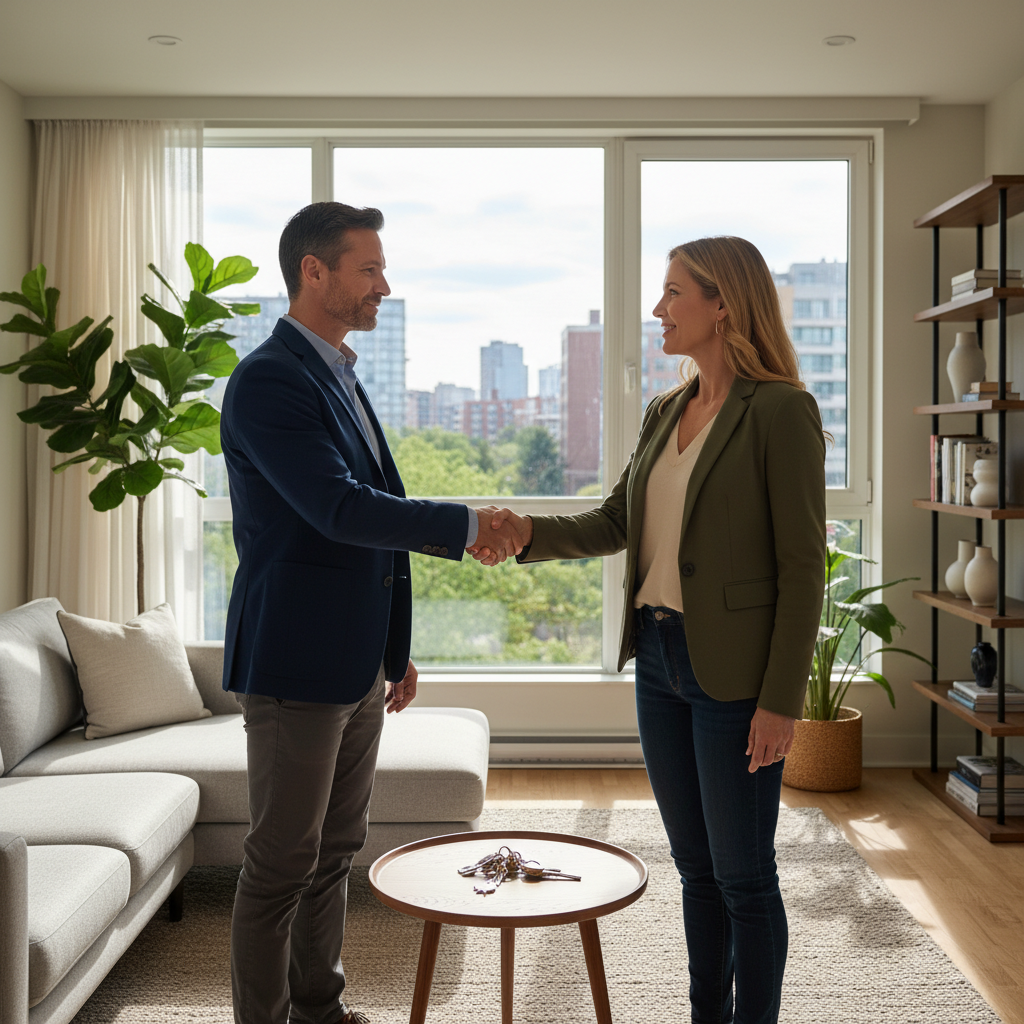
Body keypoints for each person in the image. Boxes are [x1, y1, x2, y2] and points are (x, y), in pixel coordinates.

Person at [475, 236, 826, 1024]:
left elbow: (804, 569)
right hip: (661, 661)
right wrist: (524, 530)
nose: (659, 309)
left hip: (735, 677)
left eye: (674, 292)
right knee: (696, 870)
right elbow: (614, 520)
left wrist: (782, 700)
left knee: (744, 877)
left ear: (723, 303)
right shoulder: (666, 410)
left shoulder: (780, 411)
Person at [220, 201, 524, 1024]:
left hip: (354, 659)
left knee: (334, 852)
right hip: (295, 659)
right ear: (313, 271)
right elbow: (340, 510)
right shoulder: (270, 380)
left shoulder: (339, 372)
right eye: (369, 269)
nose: (383, 286)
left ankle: (320, 1010)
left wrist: (394, 648)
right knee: (280, 863)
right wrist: (469, 525)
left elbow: (371, 517)